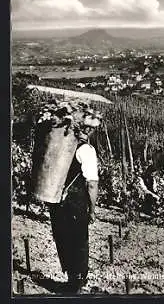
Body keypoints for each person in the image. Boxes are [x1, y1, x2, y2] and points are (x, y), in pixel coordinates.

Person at [47, 126, 98, 294]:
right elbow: (91, 183)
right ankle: (77, 283)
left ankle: (71, 279)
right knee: (79, 241)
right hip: (75, 202)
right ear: (88, 130)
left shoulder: (59, 143)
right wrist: (92, 209)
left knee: (62, 238)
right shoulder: (86, 150)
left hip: (55, 200)